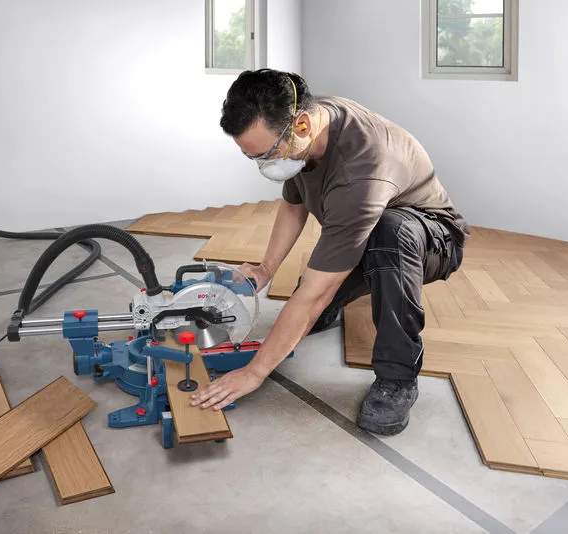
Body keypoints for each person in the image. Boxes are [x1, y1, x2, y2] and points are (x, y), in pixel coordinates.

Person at [190, 69, 470, 435]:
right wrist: (266, 268)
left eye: (266, 155)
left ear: (303, 125)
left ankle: (398, 378)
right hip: (369, 225)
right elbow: (294, 202)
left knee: (385, 238)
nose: (264, 165)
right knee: (324, 284)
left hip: (432, 237)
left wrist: (254, 372)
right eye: (253, 158)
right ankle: (339, 297)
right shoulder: (302, 123)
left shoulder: (362, 171)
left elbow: (314, 293)